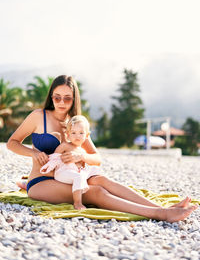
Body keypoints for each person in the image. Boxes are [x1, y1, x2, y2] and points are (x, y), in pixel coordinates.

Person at [7, 75, 198, 223]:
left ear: (74, 100)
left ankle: (161, 207)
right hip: (42, 183)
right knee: (94, 191)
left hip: (68, 176)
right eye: (57, 98)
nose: (62, 103)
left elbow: (97, 158)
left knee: (101, 179)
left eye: (67, 98)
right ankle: (161, 214)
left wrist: (79, 154)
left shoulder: (76, 124)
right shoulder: (38, 116)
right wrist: (33, 152)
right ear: (51, 97)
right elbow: (12, 142)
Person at [40, 115, 101, 210]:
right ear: (68, 135)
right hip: (62, 172)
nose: (77, 136)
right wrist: (50, 165)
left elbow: (83, 165)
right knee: (79, 177)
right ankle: (77, 203)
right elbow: (54, 158)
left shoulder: (83, 151)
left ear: (87, 135)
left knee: (93, 171)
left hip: (74, 172)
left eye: (81, 133)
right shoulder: (65, 146)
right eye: (73, 133)